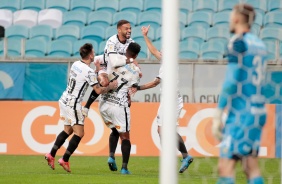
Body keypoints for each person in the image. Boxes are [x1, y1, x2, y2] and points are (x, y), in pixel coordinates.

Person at [211, 4, 267, 184]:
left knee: (225, 167)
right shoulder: (260, 44)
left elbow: (231, 81)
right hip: (258, 112)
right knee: (250, 166)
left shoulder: (238, 42)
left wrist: (219, 112)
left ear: (236, 19)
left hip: (242, 114)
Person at [44, 43, 118, 173]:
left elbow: (85, 77)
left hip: (64, 99)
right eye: (93, 52)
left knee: (67, 130)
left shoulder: (76, 64)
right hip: (73, 103)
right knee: (80, 133)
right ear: (90, 55)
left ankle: (51, 154)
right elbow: (98, 90)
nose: (94, 54)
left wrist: (95, 70)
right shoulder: (88, 71)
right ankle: (65, 159)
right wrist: (110, 87)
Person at [130, 25, 193, 173]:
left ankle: (184, 157)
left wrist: (137, 88)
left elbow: (155, 82)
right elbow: (153, 51)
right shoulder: (166, 61)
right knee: (161, 131)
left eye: (164, 50)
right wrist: (145, 36)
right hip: (167, 100)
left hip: (172, 101)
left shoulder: (168, 65)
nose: (161, 52)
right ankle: (173, 159)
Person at [98, 42, 142, 174]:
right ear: (136, 55)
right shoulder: (136, 71)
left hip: (104, 103)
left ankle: (111, 156)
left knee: (115, 130)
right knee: (125, 137)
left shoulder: (114, 62)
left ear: (126, 50)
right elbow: (132, 90)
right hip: (119, 105)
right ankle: (124, 168)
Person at [83, 19, 136, 116]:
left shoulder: (131, 43)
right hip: (106, 64)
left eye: (130, 28)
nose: (129, 30)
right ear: (119, 30)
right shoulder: (112, 41)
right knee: (104, 82)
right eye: (126, 29)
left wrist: (136, 68)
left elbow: (133, 59)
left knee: (128, 102)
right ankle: (87, 106)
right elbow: (114, 62)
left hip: (119, 68)